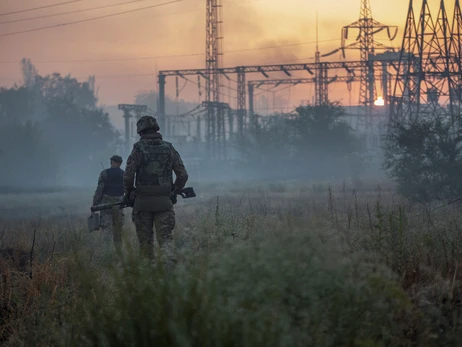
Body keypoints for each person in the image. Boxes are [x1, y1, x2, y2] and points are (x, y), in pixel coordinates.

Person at [123, 115, 188, 269]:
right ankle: (169, 275)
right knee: (166, 241)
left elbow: (127, 176)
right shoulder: (168, 148)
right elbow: (183, 175)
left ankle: (148, 279)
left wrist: (130, 192)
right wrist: (175, 190)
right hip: (164, 203)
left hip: (142, 204)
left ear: (140, 131)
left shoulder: (138, 149)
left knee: (145, 245)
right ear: (156, 129)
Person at [92, 155, 125, 252]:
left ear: (113, 162)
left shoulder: (104, 173)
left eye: (111, 162)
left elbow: (99, 190)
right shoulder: (124, 174)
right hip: (119, 206)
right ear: (120, 163)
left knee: (107, 229)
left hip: (105, 206)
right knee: (118, 230)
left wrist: (95, 205)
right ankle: (119, 252)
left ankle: (105, 252)